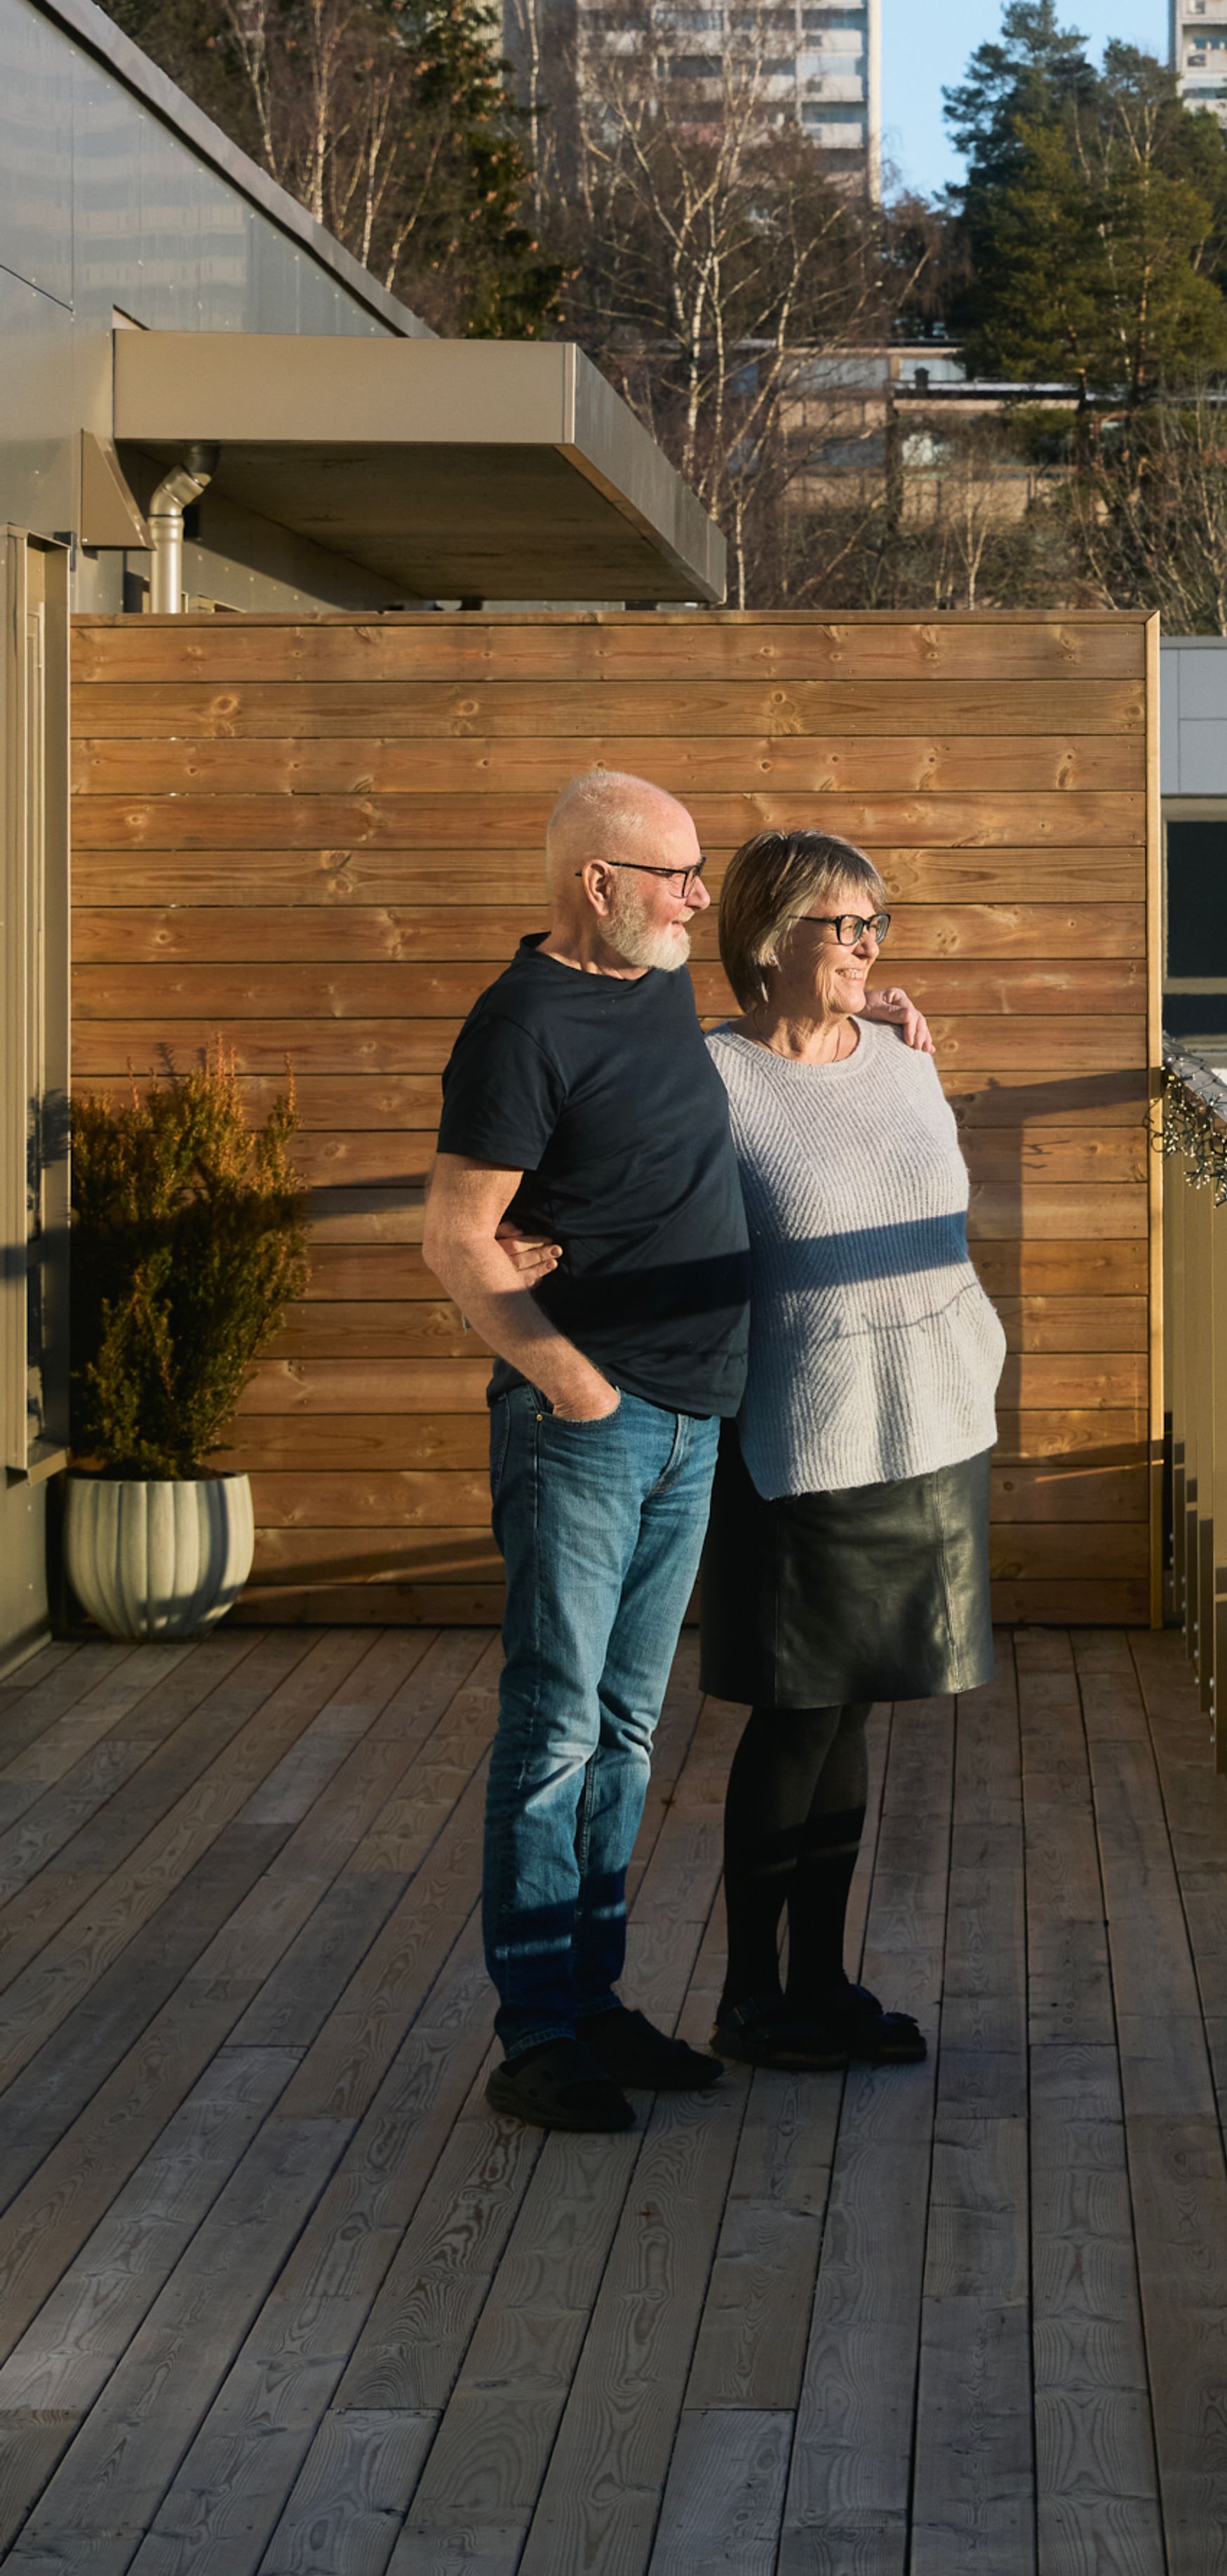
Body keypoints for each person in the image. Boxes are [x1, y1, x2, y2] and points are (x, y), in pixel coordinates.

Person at [424, 765, 754, 2134]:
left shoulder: (656, 977)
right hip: (595, 1427)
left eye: (698, 870)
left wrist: (876, 1016)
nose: (697, 896)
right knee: (557, 1727)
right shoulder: (520, 1023)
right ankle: (536, 2033)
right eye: (673, 874)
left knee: (626, 1727)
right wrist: (572, 1386)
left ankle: (597, 2000)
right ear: (596, 885)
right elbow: (456, 1232)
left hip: (692, 1416)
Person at [697, 826, 1005, 2070]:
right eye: (847, 924)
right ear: (771, 938)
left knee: (856, 1716)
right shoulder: (709, 1077)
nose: (872, 946)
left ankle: (822, 1982)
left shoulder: (899, 1052)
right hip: (804, 1436)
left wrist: (879, 1008)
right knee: (794, 1716)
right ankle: (749, 1997)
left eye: (880, 923)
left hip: (933, 1421)